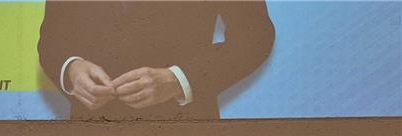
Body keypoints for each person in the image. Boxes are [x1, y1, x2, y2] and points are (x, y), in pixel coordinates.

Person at [38, 0, 275, 120]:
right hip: (89, 135)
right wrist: (71, 68)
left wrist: (178, 80)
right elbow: (52, 40)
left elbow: (255, 36)